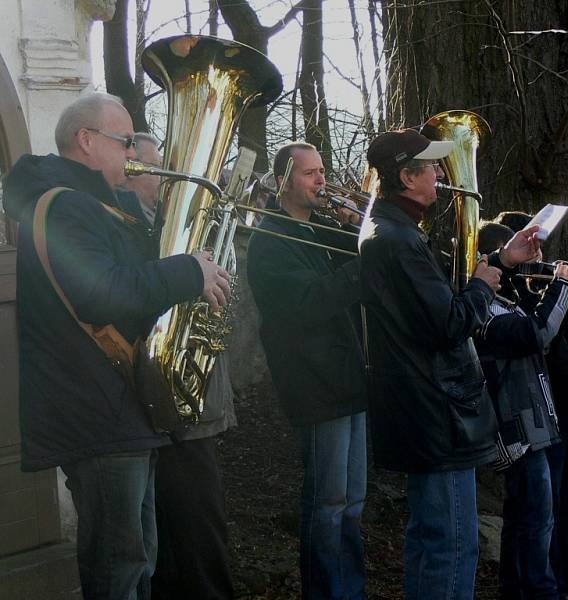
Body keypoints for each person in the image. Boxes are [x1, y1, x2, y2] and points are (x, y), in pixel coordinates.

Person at [3, 92, 230, 599]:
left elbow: (130, 285)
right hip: (95, 411)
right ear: (86, 141)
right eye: (124, 140)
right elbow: (104, 294)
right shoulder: (63, 207)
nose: (132, 151)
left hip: (118, 408)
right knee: (119, 570)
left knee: (138, 560)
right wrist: (186, 270)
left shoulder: (100, 206)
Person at [358, 128, 541, 600]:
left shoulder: (392, 231)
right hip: (437, 415)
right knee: (453, 544)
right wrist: (482, 285)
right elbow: (450, 322)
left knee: (433, 539)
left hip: (428, 411)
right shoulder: (397, 240)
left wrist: (502, 259)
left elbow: (433, 307)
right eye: (432, 166)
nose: (441, 173)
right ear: (406, 176)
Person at [247, 141, 367, 600]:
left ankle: (350, 591)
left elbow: (363, 264)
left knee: (353, 503)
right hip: (316, 386)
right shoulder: (270, 241)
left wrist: (359, 232)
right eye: (311, 173)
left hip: (347, 380)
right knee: (328, 505)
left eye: (322, 171)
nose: (322, 181)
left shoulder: (316, 229)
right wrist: (362, 268)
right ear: (284, 181)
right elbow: (306, 305)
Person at [119, 132, 237, 599]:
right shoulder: (141, 233)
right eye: (158, 169)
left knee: (195, 537)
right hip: (173, 413)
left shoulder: (165, 228)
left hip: (193, 409)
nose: (168, 179)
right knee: (194, 541)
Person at [496, 210, 568, 600]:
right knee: (540, 507)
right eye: (530, 241)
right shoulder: (511, 288)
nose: (538, 248)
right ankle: (526, 585)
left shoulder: (544, 281)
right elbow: (538, 332)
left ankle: (561, 580)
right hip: (543, 409)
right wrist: (561, 290)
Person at [474, 221, 568, 600]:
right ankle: (536, 592)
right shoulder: (485, 312)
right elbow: (538, 334)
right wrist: (563, 285)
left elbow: (551, 329)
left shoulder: (506, 302)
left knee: (535, 518)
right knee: (535, 521)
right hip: (516, 432)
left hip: (536, 427)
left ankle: (529, 589)